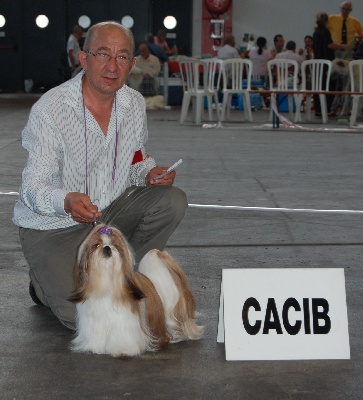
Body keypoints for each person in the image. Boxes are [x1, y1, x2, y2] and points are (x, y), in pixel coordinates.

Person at [13, 21, 187, 330]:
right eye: (103, 54)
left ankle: (121, 274)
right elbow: (33, 186)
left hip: (107, 215)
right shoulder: (51, 109)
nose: (112, 66)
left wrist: (149, 172)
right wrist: (66, 200)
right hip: (53, 226)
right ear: (83, 59)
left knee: (170, 200)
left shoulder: (133, 104)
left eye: (122, 57)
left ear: (133, 64)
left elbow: (136, 157)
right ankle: (42, 284)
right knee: (82, 318)